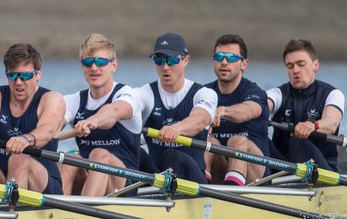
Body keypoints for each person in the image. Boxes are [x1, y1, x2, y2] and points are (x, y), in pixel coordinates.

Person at [94, 33, 218, 184]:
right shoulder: (145, 93)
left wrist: (177, 128)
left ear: (186, 60)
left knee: (172, 155)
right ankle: (123, 196)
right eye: (159, 60)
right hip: (155, 176)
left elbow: (200, 119)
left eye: (171, 60)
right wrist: (95, 120)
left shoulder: (204, 94)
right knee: (131, 151)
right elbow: (118, 108)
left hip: (192, 180)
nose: (165, 67)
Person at [0, 43, 67, 194]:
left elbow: (48, 129)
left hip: (42, 186)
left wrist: (26, 139)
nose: (18, 82)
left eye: (25, 76)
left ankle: (11, 213)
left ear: (38, 75)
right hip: (3, 179)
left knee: (18, 159)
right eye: (12, 75)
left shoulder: (52, 99)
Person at [62, 33, 142, 196]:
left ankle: (84, 216)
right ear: (82, 66)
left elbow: (114, 111)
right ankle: (53, 215)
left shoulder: (127, 94)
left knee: (99, 155)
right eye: (88, 62)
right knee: (68, 160)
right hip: (91, 176)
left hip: (125, 184)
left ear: (114, 65)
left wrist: (92, 121)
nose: (94, 68)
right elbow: (50, 123)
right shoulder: (74, 100)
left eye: (101, 62)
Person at [266, 38, 345, 171]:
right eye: (290, 66)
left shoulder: (332, 94)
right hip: (282, 166)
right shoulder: (277, 94)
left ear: (315, 65)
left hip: (322, 168)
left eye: (300, 64)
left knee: (298, 141)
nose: (295, 70)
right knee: (254, 135)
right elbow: (260, 106)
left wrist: (313, 125)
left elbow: (331, 123)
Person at [205, 34, 270, 186]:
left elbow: (247, 111)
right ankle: (199, 190)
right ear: (213, 61)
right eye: (219, 57)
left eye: (232, 58)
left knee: (237, 141)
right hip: (220, 170)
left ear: (244, 64)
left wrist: (223, 111)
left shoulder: (255, 93)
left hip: (256, 175)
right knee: (210, 142)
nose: (224, 62)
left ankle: (233, 194)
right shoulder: (204, 93)